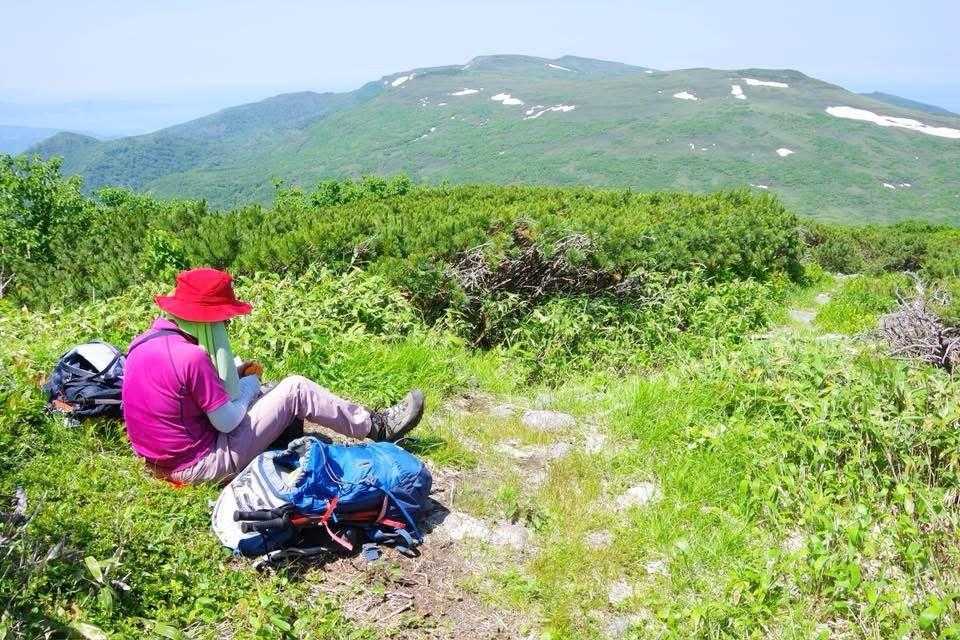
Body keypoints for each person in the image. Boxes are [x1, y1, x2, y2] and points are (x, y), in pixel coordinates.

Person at [122, 267, 425, 485]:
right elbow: (227, 422)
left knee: (268, 393)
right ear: (209, 319)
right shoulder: (193, 357)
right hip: (198, 466)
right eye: (225, 321)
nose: (226, 327)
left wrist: (237, 378)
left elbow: (181, 395)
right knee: (294, 389)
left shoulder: (143, 342)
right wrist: (249, 385)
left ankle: (292, 439)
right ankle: (378, 426)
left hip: (159, 463)